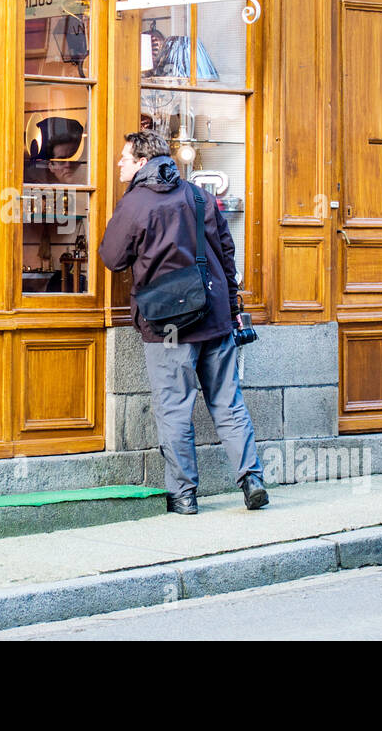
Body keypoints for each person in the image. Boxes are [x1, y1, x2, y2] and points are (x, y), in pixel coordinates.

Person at [97, 131, 267, 513]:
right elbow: (226, 252)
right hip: (215, 315)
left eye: (124, 158)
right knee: (228, 401)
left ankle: (185, 494)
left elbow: (112, 258)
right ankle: (252, 478)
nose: (119, 164)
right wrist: (232, 303)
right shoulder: (199, 195)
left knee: (173, 406)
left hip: (168, 324)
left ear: (142, 162)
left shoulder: (136, 204)